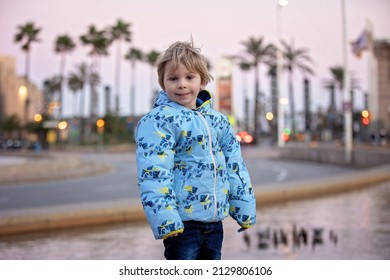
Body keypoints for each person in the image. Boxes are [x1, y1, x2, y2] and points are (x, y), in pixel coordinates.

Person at [135, 40, 256, 260]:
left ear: (203, 80)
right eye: (173, 78)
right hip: (181, 226)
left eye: (189, 77)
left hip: (214, 223)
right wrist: (166, 219)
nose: (182, 84)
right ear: (163, 83)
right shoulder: (159, 121)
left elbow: (235, 166)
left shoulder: (218, 121)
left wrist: (244, 208)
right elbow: (154, 174)